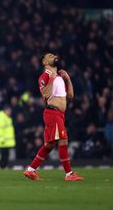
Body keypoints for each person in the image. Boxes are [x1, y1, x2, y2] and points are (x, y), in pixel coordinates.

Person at [23, 53, 84, 181]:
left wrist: (67, 79)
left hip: (59, 114)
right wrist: (52, 77)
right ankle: (69, 174)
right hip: (52, 113)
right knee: (63, 140)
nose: (53, 55)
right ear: (45, 63)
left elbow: (70, 96)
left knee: (49, 145)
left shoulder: (59, 78)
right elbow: (45, 93)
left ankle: (30, 170)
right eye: (49, 56)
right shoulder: (45, 76)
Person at [0, 104, 16, 169]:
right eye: (9, 111)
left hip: (6, 141)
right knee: (4, 154)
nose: (10, 112)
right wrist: (1, 139)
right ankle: (2, 166)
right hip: (3, 141)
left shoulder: (6, 117)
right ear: (5, 110)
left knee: (6, 154)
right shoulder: (2, 117)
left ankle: (4, 166)